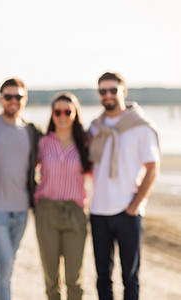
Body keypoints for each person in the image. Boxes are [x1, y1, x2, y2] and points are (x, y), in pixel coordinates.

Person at [89, 72, 160, 300]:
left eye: (113, 90)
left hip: (127, 212)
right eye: (103, 91)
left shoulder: (141, 126)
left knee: (130, 278)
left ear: (123, 92)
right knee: (102, 277)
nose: (108, 95)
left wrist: (134, 205)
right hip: (98, 211)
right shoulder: (95, 127)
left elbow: (152, 168)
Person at [0, 78, 42, 300]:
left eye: (18, 97)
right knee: (5, 262)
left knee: (8, 266)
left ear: (25, 99)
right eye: (8, 96)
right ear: (0, 98)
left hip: (22, 211)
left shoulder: (32, 131)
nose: (13, 101)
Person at [34, 93, 91, 300]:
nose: (62, 116)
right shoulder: (43, 143)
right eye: (57, 112)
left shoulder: (85, 143)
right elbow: (25, 169)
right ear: (52, 114)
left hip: (75, 213)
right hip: (47, 212)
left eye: (68, 111)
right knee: (51, 279)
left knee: (74, 280)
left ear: (75, 114)